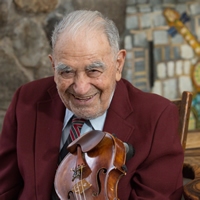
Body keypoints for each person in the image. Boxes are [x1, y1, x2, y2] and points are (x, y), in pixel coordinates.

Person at [0, 10, 184, 200]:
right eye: (67, 72)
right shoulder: (26, 100)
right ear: (54, 66)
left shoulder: (156, 118)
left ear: (118, 64)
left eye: (94, 70)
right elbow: (4, 189)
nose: (80, 88)